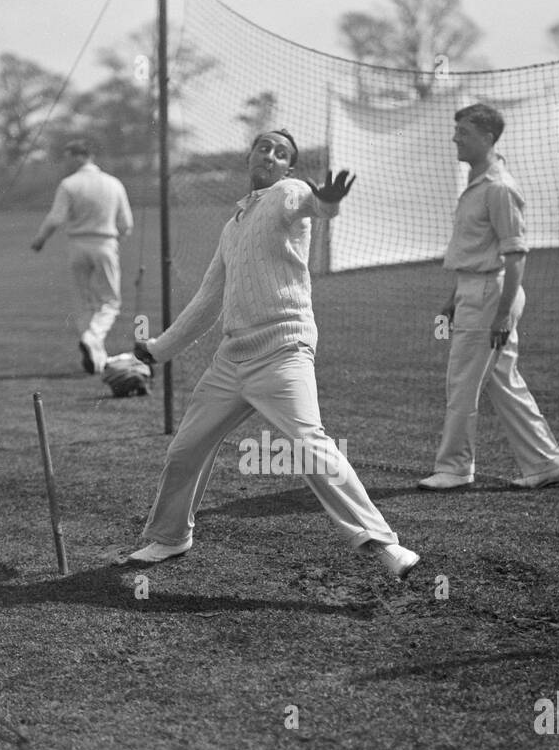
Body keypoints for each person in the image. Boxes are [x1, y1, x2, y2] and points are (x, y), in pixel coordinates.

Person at [125, 129, 419, 578]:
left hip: (284, 349)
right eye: (264, 147)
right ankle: (170, 538)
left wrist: (330, 203)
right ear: (250, 156)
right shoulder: (232, 227)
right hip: (231, 360)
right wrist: (157, 350)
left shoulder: (289, 191)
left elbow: (314, 206)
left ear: (288, 167)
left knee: (309, 444)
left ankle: (383, 544)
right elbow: (208, 300)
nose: (271, 155)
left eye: (281, 153)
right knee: (185, 450)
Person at [418, 103, 559, 492]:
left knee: (462, 382)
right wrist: (454, 298)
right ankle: (546, 463)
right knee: (502, 381)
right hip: (476, 291)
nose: (456, 138)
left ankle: (454, 468)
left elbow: (515, 256)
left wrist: (502, 315)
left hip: (491, 295)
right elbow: (475, 249)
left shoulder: (500, 187)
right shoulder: (476, 183)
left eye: (464, 132)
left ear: (487, 138)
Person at [30, 138, 133, 375]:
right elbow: (126, 223)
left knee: (84, 301)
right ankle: (93, 341)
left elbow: (56, 218)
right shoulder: (113, 183)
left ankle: (95, 353)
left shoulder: (69, 184)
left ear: (79, 156)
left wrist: (40, 239)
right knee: (110, 301)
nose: (65, 163)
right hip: (105, 244)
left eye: (67, 157)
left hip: (77, 245)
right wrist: (119, 238)